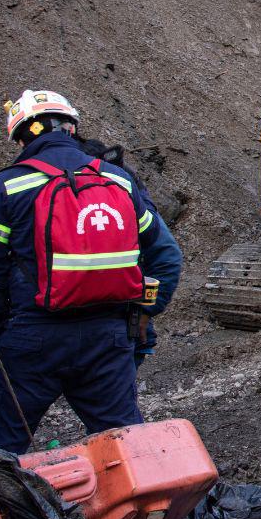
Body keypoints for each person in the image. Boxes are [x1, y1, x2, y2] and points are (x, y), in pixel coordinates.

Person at [0, 90, 183, 454]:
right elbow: (166, 256)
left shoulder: (8, 185)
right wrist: (143, 312)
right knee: (128, 450)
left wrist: (1, 332)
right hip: (109, 339)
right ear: (71, 128)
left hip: (31, 338)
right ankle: (147, 511)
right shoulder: (118, 180)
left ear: (21, 138)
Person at [77, 138, 181, 367]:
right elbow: (167, 255)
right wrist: (146, 311)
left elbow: (166, 255)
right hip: (118, 324)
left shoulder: (115, 189)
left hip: (110, 324)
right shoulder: (121, 184)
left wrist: (146, 310)